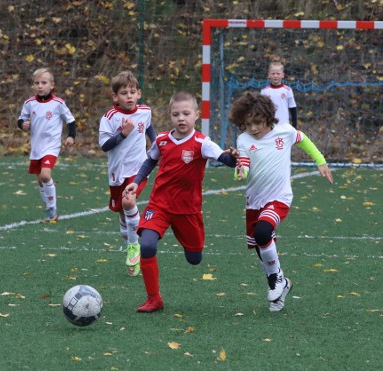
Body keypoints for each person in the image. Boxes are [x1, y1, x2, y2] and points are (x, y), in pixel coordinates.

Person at [123, 92, 237, 312]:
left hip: (188, 210)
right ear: (170, 116)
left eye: (186, 113)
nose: (181, 118)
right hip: (160, 205)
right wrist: (137, 182)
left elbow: (224, 158)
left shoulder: (202, 143)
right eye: (176, 114)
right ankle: (154, 298)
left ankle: (188, 244)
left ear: (196, 115)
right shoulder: (162, 140)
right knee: (146, 245)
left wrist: (234, 157)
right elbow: (150, 161)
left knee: (194, 258)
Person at [229, 91, 333, 312]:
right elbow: (244, 165)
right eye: (248, 124)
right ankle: (280, 285)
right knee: (261, 244)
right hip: (254, 201)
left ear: (267, 117)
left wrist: (320, 161)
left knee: (263, 233)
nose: (253, 128)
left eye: (257, 122)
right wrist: (240, 172)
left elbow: (303, 140)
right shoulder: (244, 140)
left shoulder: (284, 132)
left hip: (279, 198)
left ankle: (276, 279)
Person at [98, 71, 156, 276]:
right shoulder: (109, 118)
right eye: (124, 93)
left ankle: (133, 248)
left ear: (139, 93)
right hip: (116, 173)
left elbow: (149, 129)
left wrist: (157, 145)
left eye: (133, 92)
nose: (129, 96)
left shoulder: (145, 111)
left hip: (138, 170)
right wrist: (122, 134)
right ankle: (128, 240)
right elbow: (105, 146)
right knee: (121, 209)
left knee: (129, 202)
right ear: (115, 97)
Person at [17, 67, 76, 222]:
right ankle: (51, 214)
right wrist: (23, 124)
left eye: (44, 82)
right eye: (37, 83)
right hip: (36, 147)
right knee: (40, 180)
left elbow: (70, 120)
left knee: (45, 175)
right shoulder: (29, 103)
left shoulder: (58, 103)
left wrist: (71, 136)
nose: (40, 86)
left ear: (52, 85)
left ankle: (52, 209)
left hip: (52, 145)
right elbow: (21, 119)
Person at [259, 60, 297, 128]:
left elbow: (293, 108)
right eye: (273, 73)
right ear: (269, 75)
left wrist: (294, 126)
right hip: (269, 127)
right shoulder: (264, 91)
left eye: (278, 73)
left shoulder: (287, 90)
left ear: (282, 75)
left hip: (284, 126)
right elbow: (261, 110)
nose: (275, 76)